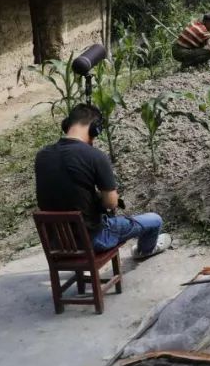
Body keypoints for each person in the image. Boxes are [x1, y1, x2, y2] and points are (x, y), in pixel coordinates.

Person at [35, 104, 171, 259]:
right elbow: (111, 203)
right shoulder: (95, 156)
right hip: (94, 240)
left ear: (67, 124)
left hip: (58, 244)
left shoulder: (42, 156)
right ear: (95, 129)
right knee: (154, 220)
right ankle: (144, 250)